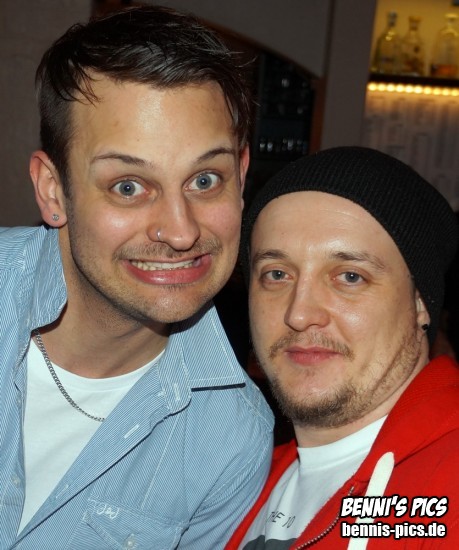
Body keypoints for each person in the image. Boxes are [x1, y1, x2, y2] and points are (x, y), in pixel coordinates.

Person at [0, 6, 274, 549]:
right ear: (53, 190)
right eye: (128, 186)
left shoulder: (230, 438)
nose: (181, 231)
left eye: (205, 179)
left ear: (241, 178)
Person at [227, 146, 459, 549]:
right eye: (277, 274)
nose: (300, 313)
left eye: (350, 276)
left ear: (421, 301)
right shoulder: (235, 488)